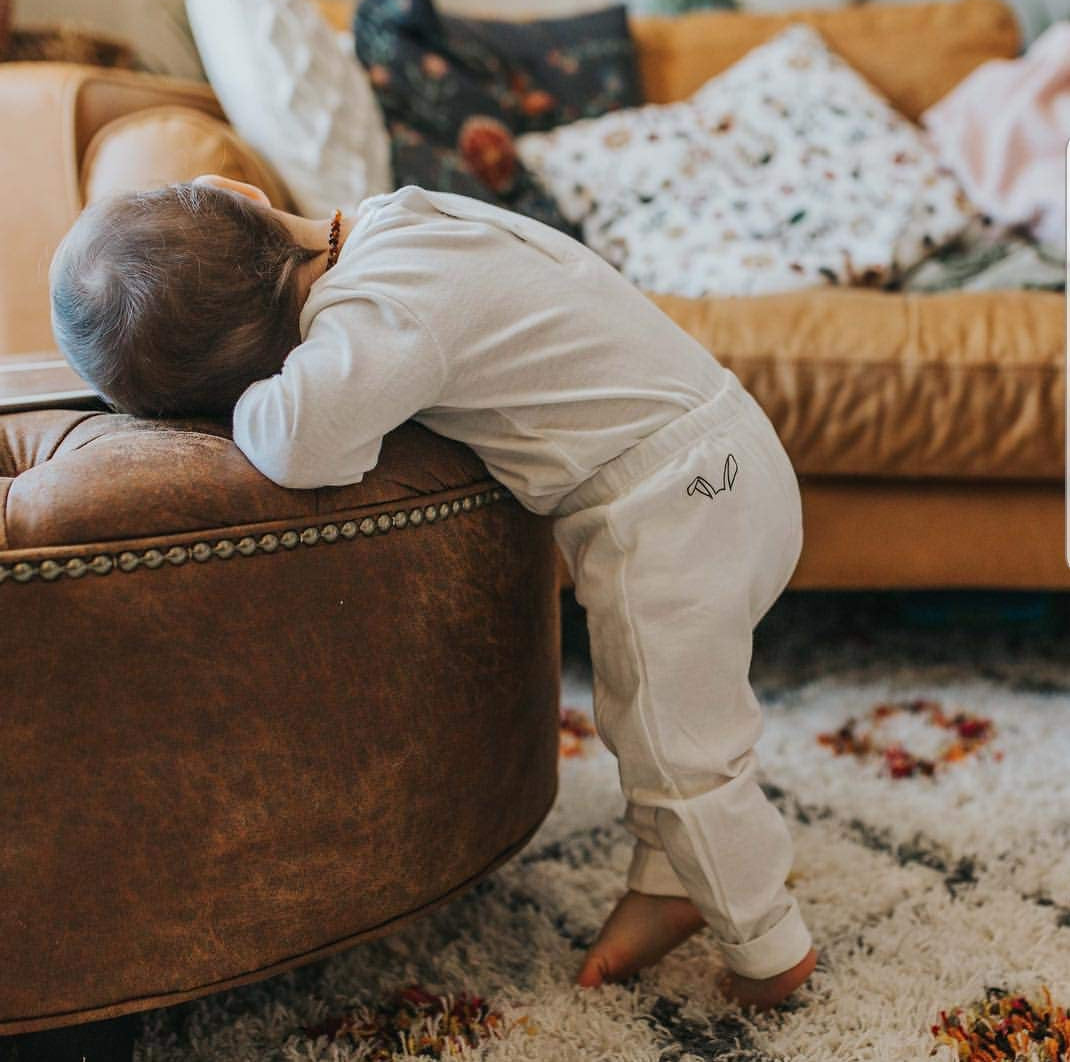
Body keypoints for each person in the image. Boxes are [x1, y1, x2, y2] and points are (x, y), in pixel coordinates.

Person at [49, 174, 819, 1011]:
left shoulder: (379, 317)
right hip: (737, 454)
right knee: (677, 717)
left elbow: (302, 445)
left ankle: (768, 944)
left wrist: (230, 407)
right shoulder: (400, 218)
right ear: (240, 189)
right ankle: (672, 884)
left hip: (673, 509)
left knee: (678, 748)